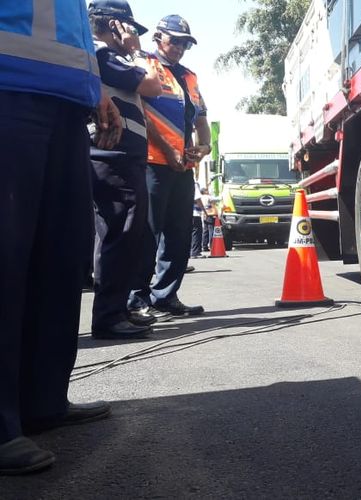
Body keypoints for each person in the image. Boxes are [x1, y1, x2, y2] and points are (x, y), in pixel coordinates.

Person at [0, 0, 122, 475]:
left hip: (67, 102)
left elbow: (65, 28)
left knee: (59, 256)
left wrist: (96, 90)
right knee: (6, 257)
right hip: (9, 89)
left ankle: (42, 400)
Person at [88, 0, 164, 339]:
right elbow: (153, 86)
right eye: (129, 29)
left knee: (124, 234)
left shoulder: (106, 58)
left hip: (122, 156)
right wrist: (137, 52)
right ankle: (109, 316)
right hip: (115, 157)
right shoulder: (105, 54)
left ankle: (116, 310)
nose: (132, 36)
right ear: (115, 25)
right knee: (121, 232)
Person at [128, 14, 210, 317]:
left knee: (178, 233)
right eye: (173, 40)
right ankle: (137, 299)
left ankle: (165, 295)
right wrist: (167, 148)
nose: (178, 47)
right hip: (153, 160)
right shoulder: (145, 65)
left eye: (184, 43)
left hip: (183, 166)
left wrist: (204, 146)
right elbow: (141, 110)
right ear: (158, 38)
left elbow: (200, 116)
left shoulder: (189, 76)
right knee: (148, 232)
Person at [190, 180, 207, 258]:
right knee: (196, 232)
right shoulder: (193, 184)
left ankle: (190, 251)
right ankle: (195, 252)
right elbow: (198, 199)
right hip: (195, 213)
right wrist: (204, 211)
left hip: (185, 213)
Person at [201, 187, 217, 252]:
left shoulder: (201, 197)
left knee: (205, 231)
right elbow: (216, 199)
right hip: (210, 214)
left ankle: (204, 246)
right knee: (211, 231)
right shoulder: (208, 197)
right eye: (206, 190)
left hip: (204, 215)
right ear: (204, 191)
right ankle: (211, 245)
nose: (208, 191)